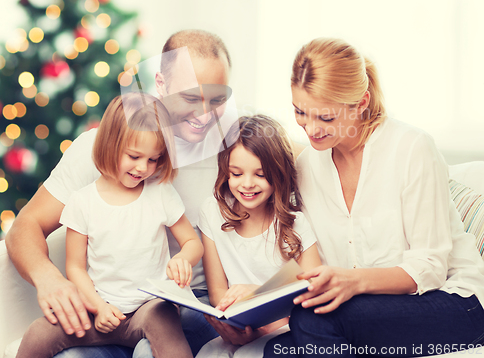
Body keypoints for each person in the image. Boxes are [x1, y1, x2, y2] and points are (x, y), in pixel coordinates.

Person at [6, 30, 230, 358]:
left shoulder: (233, 150)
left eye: (218, 99)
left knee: (150, 347)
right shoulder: (100, 149)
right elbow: (25, 227)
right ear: (161, 85)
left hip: (184, 303)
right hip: (106, 305)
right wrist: (49, 278)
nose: (206, 115)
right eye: (192, 99)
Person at [263, 38, 484, 357]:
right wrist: (257, 308)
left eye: (325, 118)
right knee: (278, 351)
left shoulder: (411, 148)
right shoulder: (308, 166)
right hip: (374, 310)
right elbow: (311, 257)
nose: (311, 129)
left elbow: (430, 268)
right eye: (300, 112)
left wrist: (353, 282)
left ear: (361, 102)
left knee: (311, 321)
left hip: (456, 302)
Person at [16, 93, 203, 358]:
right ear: (110, 145)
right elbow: (75, 268)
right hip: (99, 309)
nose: (143, 168)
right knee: (39, 333)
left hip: (149, 308)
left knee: (164, 320)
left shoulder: (160, 192)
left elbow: (192, 243)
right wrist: (98, 307)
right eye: (134, 156)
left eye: (153, 159)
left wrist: (184, 258)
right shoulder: (83, 202)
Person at [198, 115, 321, 356]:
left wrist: (257, 300)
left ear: (278, 173)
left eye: (260, 174)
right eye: (236, 173)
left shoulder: (297, 224)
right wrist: (237, 326)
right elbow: (217, 293)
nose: (247, 184)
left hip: (285, 330)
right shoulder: (212, 212)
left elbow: (313, 293)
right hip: (238, 328)